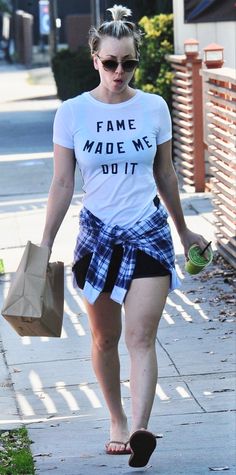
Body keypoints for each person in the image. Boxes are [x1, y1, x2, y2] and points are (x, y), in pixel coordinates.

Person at [40, 4, 209, 468]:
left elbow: (166, 175)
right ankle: (115, 419)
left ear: (137, 60)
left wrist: (184, 229)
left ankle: (139, 430)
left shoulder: (154, 106)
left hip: (148, 234)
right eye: (111, 62)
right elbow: (62, 183)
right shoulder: (71, 113)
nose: (120, 71)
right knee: (103, 339)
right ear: (95, 59)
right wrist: (46, 243)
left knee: (140, 336)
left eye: (129, 63)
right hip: (96, 237)